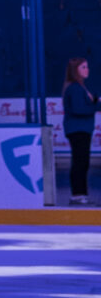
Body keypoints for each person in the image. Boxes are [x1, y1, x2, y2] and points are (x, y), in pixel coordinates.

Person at [66, 58, 95, 204]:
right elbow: (79, 109)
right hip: (78, 129)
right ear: (76, 70)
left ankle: (81, 193)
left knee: (83, 161)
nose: (87, 69)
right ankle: (77, 193)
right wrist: (95, 106)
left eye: (87, 66)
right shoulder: (75, 88)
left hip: (82, 129)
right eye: (83, 67)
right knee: (80, 161)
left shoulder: (80, 88)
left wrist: (95, 101)